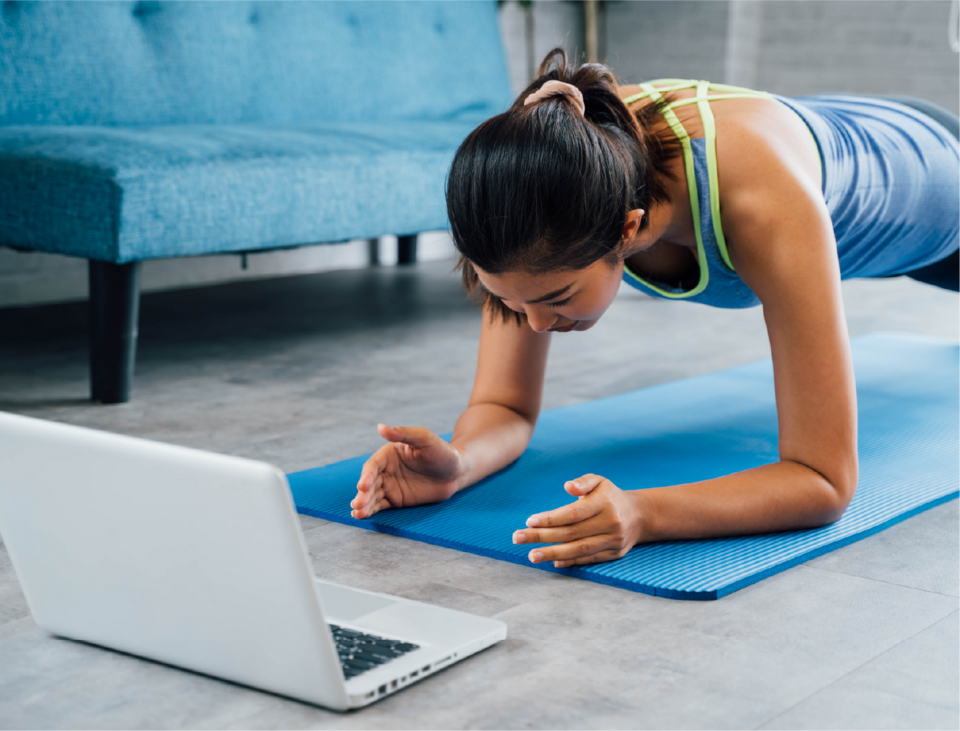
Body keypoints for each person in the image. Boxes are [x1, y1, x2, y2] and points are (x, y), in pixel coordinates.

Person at [350, 49, 960, 569]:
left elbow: (824, 480)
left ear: (629, 228)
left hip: (934, 178)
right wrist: (457, 465)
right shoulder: (539, 191)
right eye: (507, 301)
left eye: (556, 299)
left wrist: (644, 512)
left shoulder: (762, 203)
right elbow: (504, 405)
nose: (534, 324)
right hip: (838, 127)